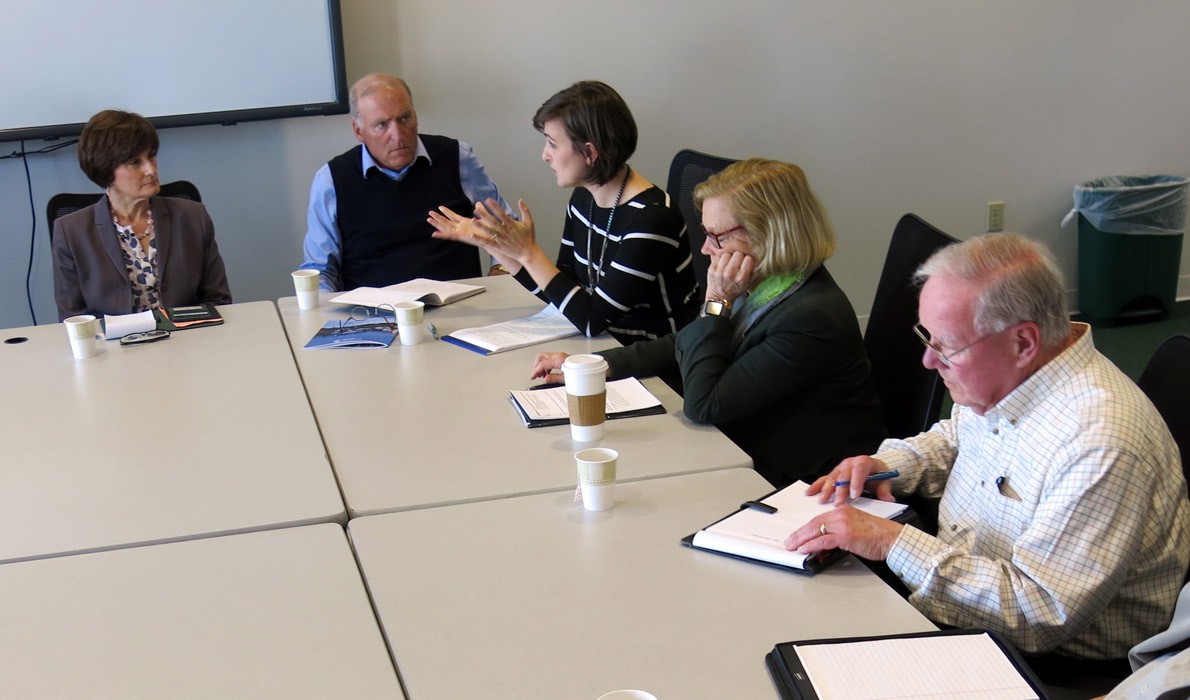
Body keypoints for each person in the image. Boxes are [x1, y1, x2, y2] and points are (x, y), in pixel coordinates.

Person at [785, 233, 1190, 666]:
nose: (928, 361)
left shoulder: (1100, 444)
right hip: (964, 585)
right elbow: (956, 436)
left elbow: (1039, 613)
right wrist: (887, 465)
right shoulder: (1014, 376)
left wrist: (891, 542)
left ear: (1023, 342)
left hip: (1051, 659)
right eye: (927, 337)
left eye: (946, 346)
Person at [528, 159, 886, 487]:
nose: (705, 249)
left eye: (719, 237)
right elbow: (687, 340)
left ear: (769, 233)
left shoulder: (811, 316)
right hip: (742, 444)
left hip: (800, 480)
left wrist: (717, 303)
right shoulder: (768, 280)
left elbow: (704, 405)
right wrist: (597, 365)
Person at [429, 80, 699, 344]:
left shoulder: (651, 219)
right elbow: (562, 293)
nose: (545, 155)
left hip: (656, 366)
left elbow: (593, 319)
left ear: (589, 152)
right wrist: (492, 243)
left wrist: (529, 252)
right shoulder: (584, 198)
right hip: (604, 350)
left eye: (553, 144)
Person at [301, 73, 510, 291]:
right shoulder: (332, 181)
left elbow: (506, 229)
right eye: (382, 125)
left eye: (404, 119)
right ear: (358, 131)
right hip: (376, 315)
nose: (398, 135)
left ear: (416, 116)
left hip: (462, 304)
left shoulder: (457, 158)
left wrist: (499, 275)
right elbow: (321, 271)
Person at [52, 110, 231, 321]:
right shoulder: (71, 231)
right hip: (115, 348)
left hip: (188, 341)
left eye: (151, 156)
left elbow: (218, 301)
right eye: (134, 162)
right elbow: (73, 319)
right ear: (105, 169)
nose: (150, 169)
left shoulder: (193, 217)